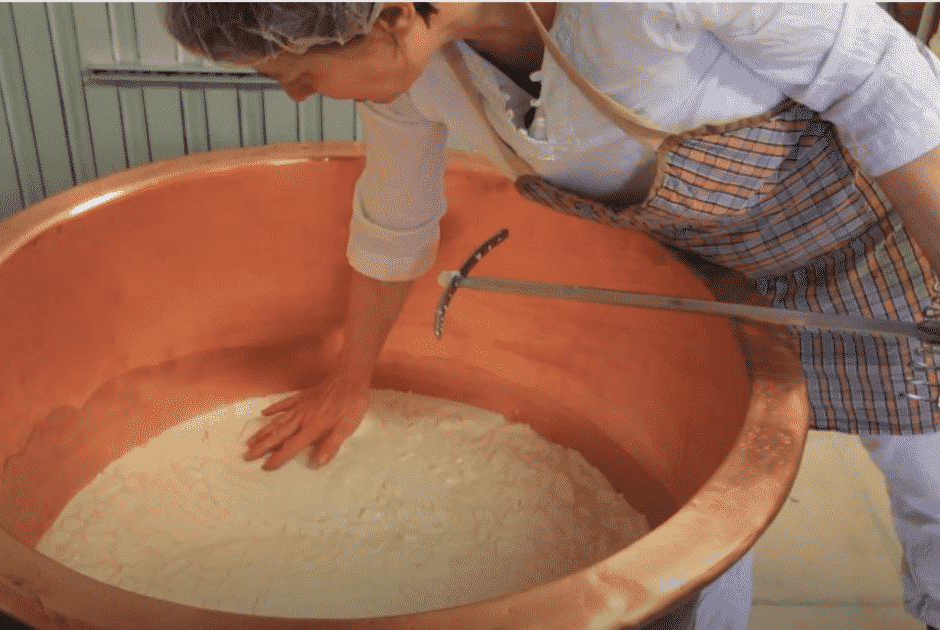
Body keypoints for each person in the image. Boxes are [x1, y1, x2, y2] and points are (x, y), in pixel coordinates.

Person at [163, 3, 940, 629]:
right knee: (704, 487)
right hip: (715, 269)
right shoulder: (418, 80)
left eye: (301, 72)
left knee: (930, 482)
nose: (295, 95)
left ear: (395, 16)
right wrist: (350, 380)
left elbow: (878, 75)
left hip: (883, 230)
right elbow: (395, 221)